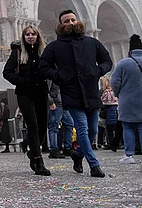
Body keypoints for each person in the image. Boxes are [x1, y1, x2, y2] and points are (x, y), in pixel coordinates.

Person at [39, 9, 111, 178]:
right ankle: (94, 165)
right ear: (61, 25)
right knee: (82, 129)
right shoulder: (54, 47)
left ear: (77, 21)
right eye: (66, 21)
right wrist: (59, 76)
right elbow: (43, 68)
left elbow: (107, 60)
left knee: (93, 130)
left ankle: (78, 154)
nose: (70, 23)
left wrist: (98, 70)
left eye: (72, 20)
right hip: (71, 93)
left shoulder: (92, 42)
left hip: (91, 92)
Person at [3, 25, 50, 176]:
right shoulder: (17, 52)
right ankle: (38, 160)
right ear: (23, 37)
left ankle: (31, 150)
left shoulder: (44, 52)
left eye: (33, 34)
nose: (30, 36)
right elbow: (7, 72)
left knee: (43, 124)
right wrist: (21, 81)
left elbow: (52, 68)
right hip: (25, 93)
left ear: (38, 36)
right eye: (27, 34)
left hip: (41, 92)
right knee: (33, 125)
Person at [111, 35, 142, 164]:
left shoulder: (123, 63)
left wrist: (119, 94)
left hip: (126, 100)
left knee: (128, 127)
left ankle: (129, 155)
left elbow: (114, 81)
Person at [100, 76, 119, 151]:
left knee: (109, 129)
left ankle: (110, 142)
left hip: (109, 113)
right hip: (116, 112)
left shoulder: (106, 93)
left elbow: (103, 103)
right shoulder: (114, 91)